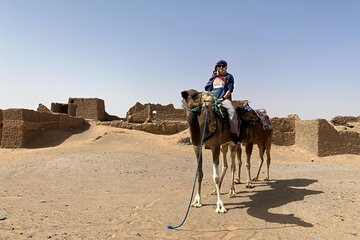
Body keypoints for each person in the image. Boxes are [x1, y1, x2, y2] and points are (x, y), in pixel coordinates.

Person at [204, 60, 240, 144]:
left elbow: (230, 90)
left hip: (224, 99)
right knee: (202, 110)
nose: (221, 68)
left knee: (232, 113)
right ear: (216, 67)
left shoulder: (229, 76)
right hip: (213, 99)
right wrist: (213, 77)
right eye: (219, 66)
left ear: (226, 67)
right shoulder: (214, 77)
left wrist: (223, 98)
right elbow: (207, 89)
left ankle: (234, 135)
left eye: (223, 66)